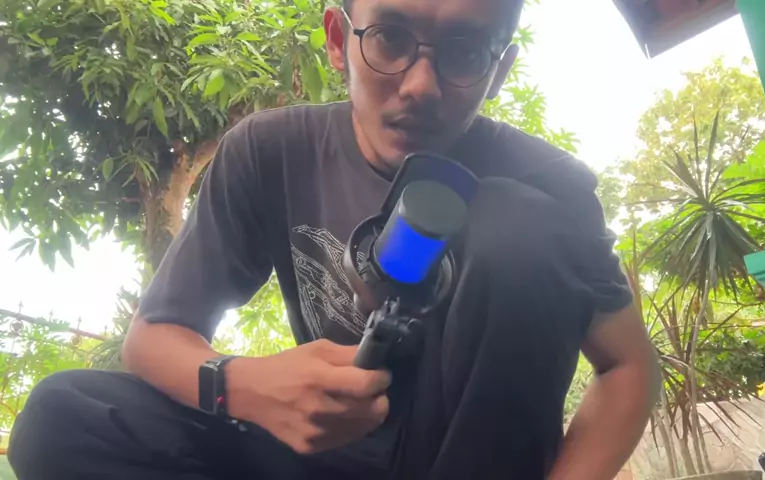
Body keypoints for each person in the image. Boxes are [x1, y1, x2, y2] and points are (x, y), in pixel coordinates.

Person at [8, 0, 661, 478]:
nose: (420, 85)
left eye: (465, 52)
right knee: (66, 416)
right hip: (322, 455)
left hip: (470, 456)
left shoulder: (550, 183)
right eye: (391, 38)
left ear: (500, 69)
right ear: (337, 39)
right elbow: (153, 336)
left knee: (516, 221)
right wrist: (244, 385)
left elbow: (628, 368)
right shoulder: (270, 151)